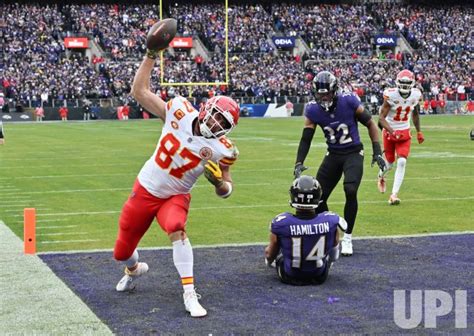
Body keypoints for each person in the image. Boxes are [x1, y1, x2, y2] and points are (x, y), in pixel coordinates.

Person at [113, 43, 240, 318]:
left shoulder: (223, 149)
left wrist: (219, 185)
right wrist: (149, 55)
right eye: (216, 116)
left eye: (223, 123)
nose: (217, 125)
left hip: (176, 195)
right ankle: (133, 269)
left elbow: (227, 189)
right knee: (122, 251)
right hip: (146, 188)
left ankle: (189, 293)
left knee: (177, 227)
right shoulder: (179, 110)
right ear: (206, 108)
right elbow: (139, 92)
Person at [293, 71, 386, 256]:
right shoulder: (312, 109)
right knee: (317, 198)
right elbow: (306, 139)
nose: (324, 97)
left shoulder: (349, 100)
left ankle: (348, 237)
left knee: (350, 190)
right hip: (333, 154)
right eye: (320, 94)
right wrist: (299, 162)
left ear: (335, 90)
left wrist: (377, 152)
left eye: (327, 93)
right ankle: (332, 228)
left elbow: (371, 124)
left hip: (353, 152)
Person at [265, 175, 347, 285]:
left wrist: (269, 261)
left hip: (290, 276)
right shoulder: (330, 220)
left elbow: (269, 254)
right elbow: (335, 249)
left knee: (281, 245)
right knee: (332, 234)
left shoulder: (281, 222)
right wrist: (330, 261)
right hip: (319, 276)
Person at [377, 69, 424, 205]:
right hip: (390, 132)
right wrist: (392, 131)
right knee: (389, 164)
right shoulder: (391, 95)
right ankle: (380, 177)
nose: (404, 86)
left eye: (407, 83)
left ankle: (394, 195)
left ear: (412, 83)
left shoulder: (415, 95)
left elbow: (415, 114)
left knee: (402, 161)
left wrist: (419, 131)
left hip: (404, 132)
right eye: (402, 83)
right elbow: (381, 118)